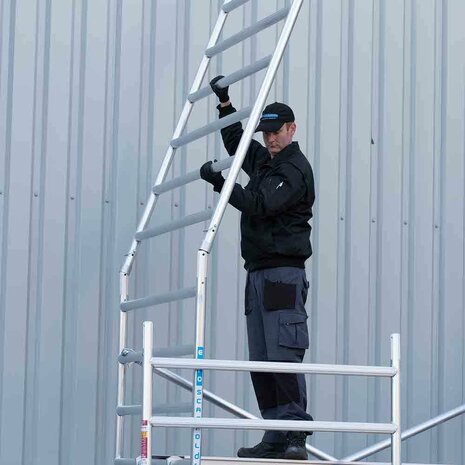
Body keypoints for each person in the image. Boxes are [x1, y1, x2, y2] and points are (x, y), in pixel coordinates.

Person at [199, 75, 315, 460]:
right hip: (258, 273)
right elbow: (236, 143)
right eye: (266, 133)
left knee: (283, 354)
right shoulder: (267, 160)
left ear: (292, 129)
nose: (270, 139)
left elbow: (259, 204)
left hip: (283, 273)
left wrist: (221, 184)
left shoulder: (293, 169)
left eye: (276, 132)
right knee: (261, 359)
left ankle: (296, 433)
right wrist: (225, 103)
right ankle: (276, 432)